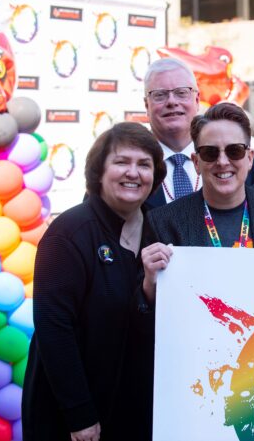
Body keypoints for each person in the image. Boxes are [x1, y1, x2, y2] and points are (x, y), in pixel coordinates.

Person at [22, 123, 167, 441]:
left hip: (135, 408)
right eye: (121, 162)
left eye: (144, 164)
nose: (134, 172)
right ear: (98, 172)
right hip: (77, 415)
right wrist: (80, 415)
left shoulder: (159, 229)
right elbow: (54, 327)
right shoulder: (70, 232)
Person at [142, 102, 254, 302]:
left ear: (249, 158)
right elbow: (147, 320)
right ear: (196, 162)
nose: (222, 162)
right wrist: (150, 284)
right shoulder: (163, 222)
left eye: (234, 151)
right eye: (210, 153)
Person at [142, 57, 254, 209]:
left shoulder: (236, 155)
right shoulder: (134, 164)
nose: (171, 102)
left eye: (181, 93)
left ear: (197, 100)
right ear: (147, 105)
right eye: (160, 95)